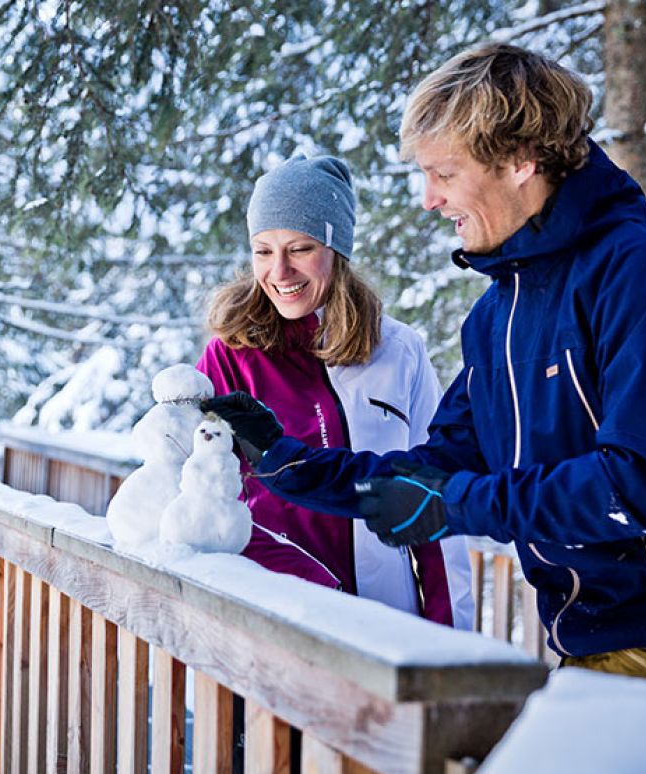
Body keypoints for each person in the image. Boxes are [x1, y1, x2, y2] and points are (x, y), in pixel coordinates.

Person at [204, 43, 646, 681]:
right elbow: (434, 469)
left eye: (444, 175)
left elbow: (639, 486)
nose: (429, 199)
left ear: (519, 160)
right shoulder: (496, 316)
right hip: (594, 645)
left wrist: (459, 503)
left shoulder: (640, 275)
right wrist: (293, 466)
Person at [198, 154, 474, 628]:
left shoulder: (399, 351)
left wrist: (454, 640)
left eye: (300, 248)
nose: (279, 271)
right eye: (263, 250)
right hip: (273, 618)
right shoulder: (232, 355)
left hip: (383, 621)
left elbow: (434, 496)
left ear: (336, 249)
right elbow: (201, 498)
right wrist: (313, 587)